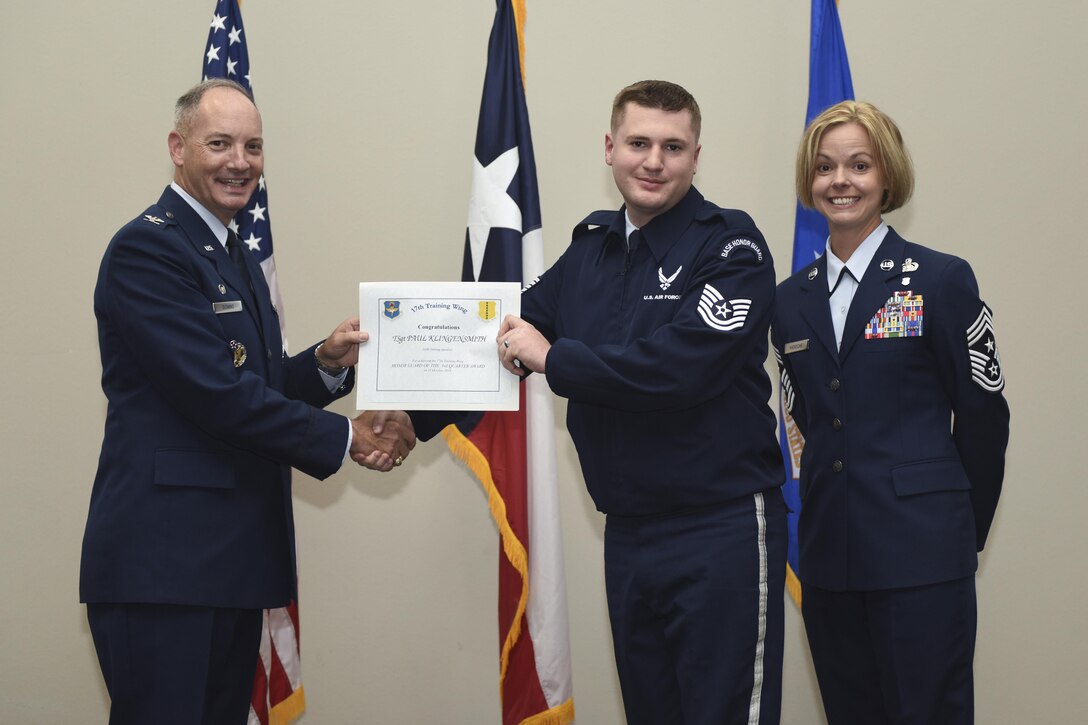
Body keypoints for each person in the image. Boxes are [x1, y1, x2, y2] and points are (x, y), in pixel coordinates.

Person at [427, 79, 787, 724]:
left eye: (673, 147)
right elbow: (494, 335)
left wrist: (554, 358)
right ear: (609, 148)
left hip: (721, 528)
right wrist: (403, 413)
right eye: (639, 142)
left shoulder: (731, 246)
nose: (654, 161)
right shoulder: (589, 249)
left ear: (696, 156)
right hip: (628, 532)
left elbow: (679, 369)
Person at [80, 78, 415, 725]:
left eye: (253, 146)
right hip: (165, 571)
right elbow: (217, 396)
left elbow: (247, 383)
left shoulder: (231, 252)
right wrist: (348, 438)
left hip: (225, 566)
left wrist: (321, 367)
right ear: (178, 148)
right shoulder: (149, 250)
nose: (241, 161)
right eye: (221, 143)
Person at [771, 100, 1010, 724]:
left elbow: (985, 419)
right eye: (824, 167)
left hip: (924, 555)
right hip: (831, 559)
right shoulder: (788, 303)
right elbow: (802, 423)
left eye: (858, 164)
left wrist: (959, 533)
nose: (840, 181)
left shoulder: (939, 279)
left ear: (887, 176)